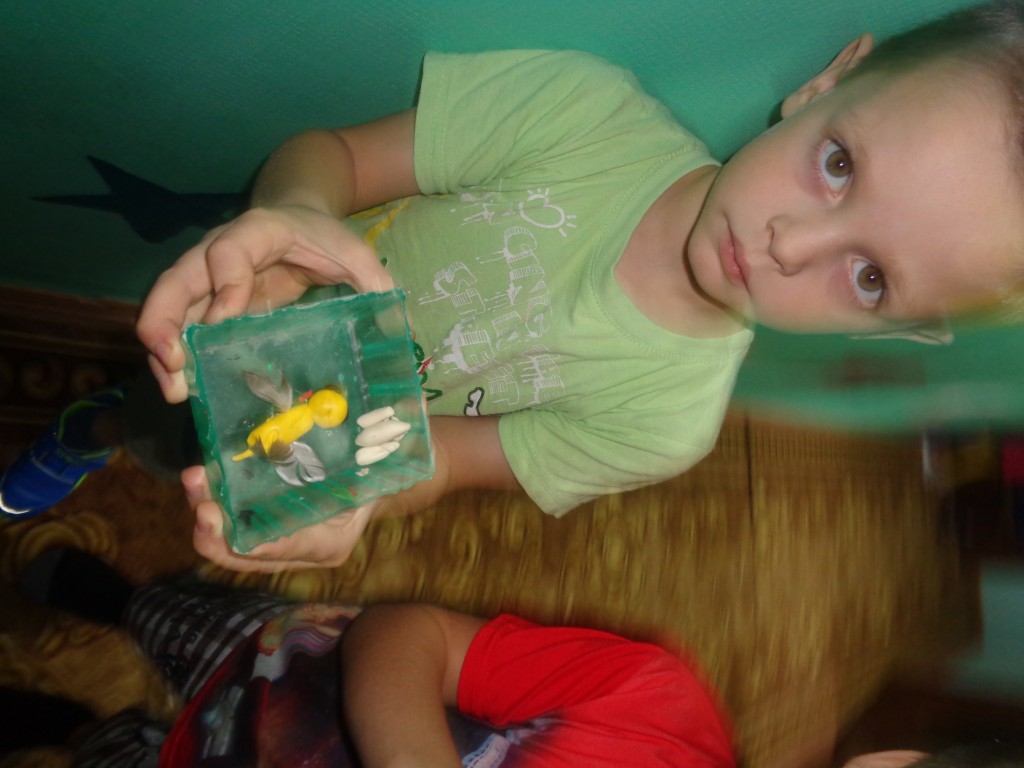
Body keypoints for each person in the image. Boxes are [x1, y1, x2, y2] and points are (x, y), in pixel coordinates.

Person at [117, 1, 1024, 570]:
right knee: (138, 402)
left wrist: (357, 497)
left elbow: (444, 461)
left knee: (160, 457)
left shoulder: (665, 428)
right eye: (838, 164)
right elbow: (335, 156)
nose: (791, 245)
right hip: (226, 309)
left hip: (314, 448)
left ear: (894, 326)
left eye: (870, 277)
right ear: (828, 83)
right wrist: (294, 214)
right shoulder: (582, 113)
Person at [11, 548, 1023, 767]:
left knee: (109, 754)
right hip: (272, 664)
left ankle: (76, 728)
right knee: (168, 617)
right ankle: (120, 601)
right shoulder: (656, 702)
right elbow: (402, 631)